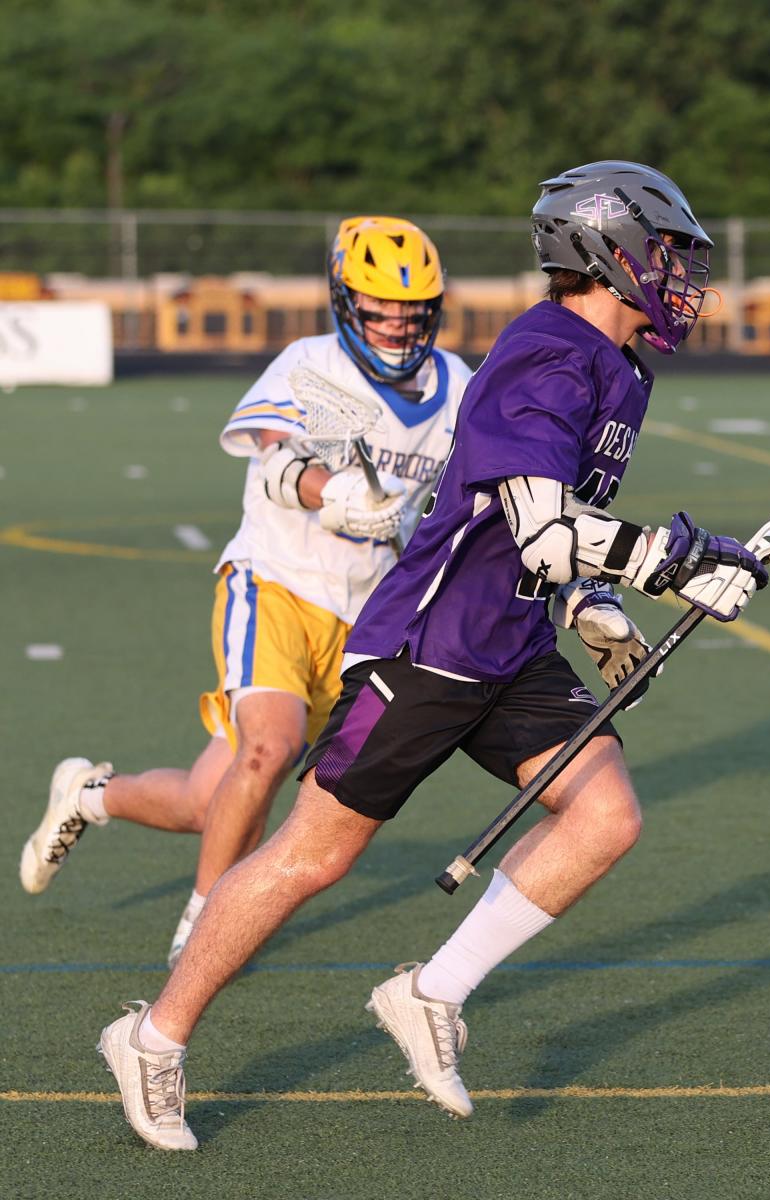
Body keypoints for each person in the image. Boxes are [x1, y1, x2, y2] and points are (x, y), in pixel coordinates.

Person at [93, 161, 769, 1151]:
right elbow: (538, 525)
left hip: (511, 645)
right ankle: (152, 1038)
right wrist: (670, 564)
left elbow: (556, 533)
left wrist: (597, 600)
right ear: (606, 252)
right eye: (665, 253)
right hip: (431, 645)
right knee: (312, 858)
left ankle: (430, 991)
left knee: (607, 814)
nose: (679, 276)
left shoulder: (624, 367)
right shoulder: (550, 349)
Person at [20, 216, 472, 969]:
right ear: (344, 300)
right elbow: (270, 462)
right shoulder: (308, 362)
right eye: (379, 308)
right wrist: (333, 492)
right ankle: (205, 923)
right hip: (277, 580)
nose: (397, 324)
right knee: (269, 748)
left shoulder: (459, 387)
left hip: (366, 616)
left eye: (411, 310)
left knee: (213, 800)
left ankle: (90, 794)